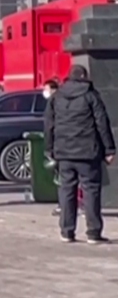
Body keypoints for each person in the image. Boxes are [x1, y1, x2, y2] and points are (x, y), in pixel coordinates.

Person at [45, 65, 115, 244]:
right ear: (85, 76)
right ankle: (93, 232)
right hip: (87, 152)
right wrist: (109, 149)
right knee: (91, 190)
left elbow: (49, 124)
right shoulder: (91, 96)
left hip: (64, 153)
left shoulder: (57, 97)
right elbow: (102, 123)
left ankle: (67, 232)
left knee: (66, 190)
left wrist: (49, 148)